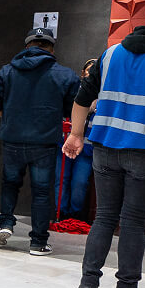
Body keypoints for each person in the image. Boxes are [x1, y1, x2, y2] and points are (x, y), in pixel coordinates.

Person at [65, 0, 145, 288]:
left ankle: (87, 286)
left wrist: (76, 135)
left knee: (103, 217)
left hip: (104, 147)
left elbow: (81, 98)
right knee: (132, 221)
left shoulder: (111, 53)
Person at [0, 27, 80, 255]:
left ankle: (5, 224)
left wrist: (11, 119)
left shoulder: (7, 71)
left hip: (12, 140)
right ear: (52, 48)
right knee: (40, 192)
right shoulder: (65, 75)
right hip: (44, 143)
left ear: (27, 46)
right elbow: (72, 109)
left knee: (10, 184)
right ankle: (38, 243)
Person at [56, 59, 98, 220]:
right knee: (61, 180)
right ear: (82, 73)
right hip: (65, 143)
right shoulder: (72, 90)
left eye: (93, 71)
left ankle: (74, 215)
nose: (89, 74)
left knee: (79, 183)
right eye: (87, 71)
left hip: (87, 148)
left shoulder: (104, 95)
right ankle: (60, 213)